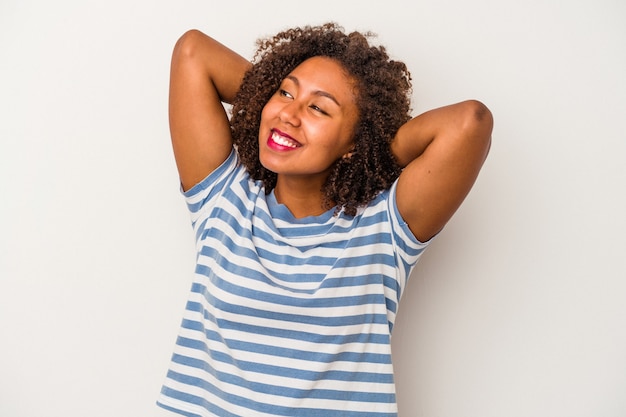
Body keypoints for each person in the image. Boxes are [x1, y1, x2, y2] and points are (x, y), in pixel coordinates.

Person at [157, 23, 492, 417]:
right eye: (284, 92)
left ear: (355, 142)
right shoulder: (224, 198)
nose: (289, 114)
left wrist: (366, 144)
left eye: (318, 108)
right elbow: (193, 51)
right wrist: (289, 107)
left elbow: (471, 121)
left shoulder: (381, 228)